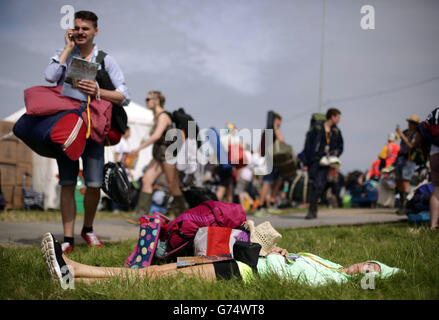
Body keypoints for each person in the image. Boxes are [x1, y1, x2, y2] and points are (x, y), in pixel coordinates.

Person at [41, 225, 403, 287]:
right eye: (370, 261)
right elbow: (294, 268)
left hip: (242, 275)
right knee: (165, 266)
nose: (364, 265)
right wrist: (282, 252)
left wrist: (278, 260)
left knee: (153, 277)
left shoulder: (337, 280)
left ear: (371, 278)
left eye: (372, 269)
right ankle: (72, 269)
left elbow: (294, 279)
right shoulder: (331, 266)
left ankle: (74, 269)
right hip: (244, 263)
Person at [44, 11, 130, 253]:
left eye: (85, 29)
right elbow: (50, 77)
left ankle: (88, 229)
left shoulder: (105, 59)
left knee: (93, 184)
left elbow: (125, 96)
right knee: (68, 183)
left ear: (95, 32)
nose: (81, 32)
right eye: (77, 28)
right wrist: (65, 49)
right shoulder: (66, 56)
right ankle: (69, 239)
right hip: (69, 129)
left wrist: (98, 90)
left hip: (94, 130)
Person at [128, 91, 186, 218]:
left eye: (148, 99)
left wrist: (138, 149)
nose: (146, 101)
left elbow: (157, 136)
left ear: (157, 101)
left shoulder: (163, 116)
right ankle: (141, 214)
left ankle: (183, 216)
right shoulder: (156, 116)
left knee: (173, 186)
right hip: (159, 155)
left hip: (168, 155)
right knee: (146, 180)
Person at [302, 108, 344, 219]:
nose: (339, 120)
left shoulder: (336, 131)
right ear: (332, 116)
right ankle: (314, 209)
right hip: (314, 160)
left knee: (318, 185)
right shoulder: (318, 128)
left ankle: (312, 211)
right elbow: (308, 145)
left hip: (326, 162)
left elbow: (341, 146)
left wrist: (336, 153)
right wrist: (305, 162)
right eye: (338, 117)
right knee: (314, 185)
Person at [255, 112, 284, 216]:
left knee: (278, 181)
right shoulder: (270, 131)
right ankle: (260, 207)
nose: (280, 123)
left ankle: (272, 203)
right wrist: (276, 128)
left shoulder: (271, 132)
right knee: (267, 183)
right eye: (278, 120)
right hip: (270, 160)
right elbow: (282, 139)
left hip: (276, 161)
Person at [394, 114, 420, 215]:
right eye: (409, 122)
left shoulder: (416, 134)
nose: (410, 124)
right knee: (399, 181)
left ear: (416, 124)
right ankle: (401, 204)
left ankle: (406, 206)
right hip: (400, 158)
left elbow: (411, 146)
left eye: (412, 123)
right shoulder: (405, 132)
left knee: (405, 181)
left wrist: (401, 135)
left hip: (409, 159)